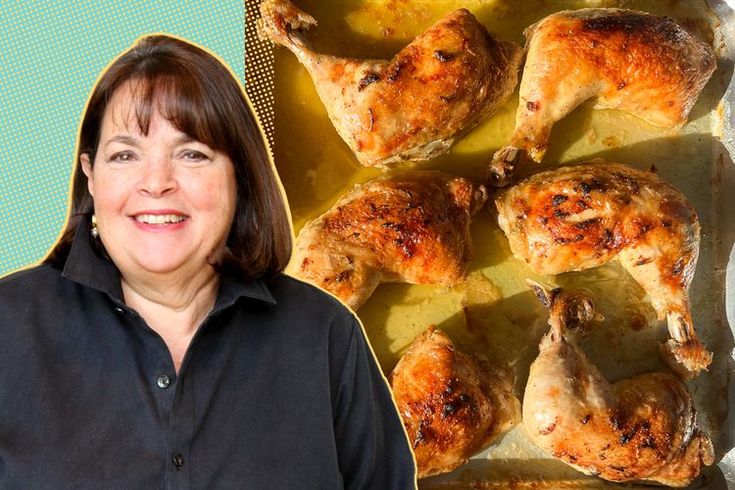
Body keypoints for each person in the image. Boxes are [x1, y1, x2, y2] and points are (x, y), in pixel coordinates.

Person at [0, 34, 416, 489]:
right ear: (91, 177)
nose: (156, 182)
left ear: (240, 176)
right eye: (124, 155)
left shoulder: (324, 336)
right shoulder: (10, 327)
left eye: (192, 154)